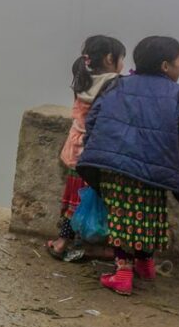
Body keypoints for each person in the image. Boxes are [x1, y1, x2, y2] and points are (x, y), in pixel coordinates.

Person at [78, 36, 179, 295]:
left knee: (122, 215)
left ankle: (123, 270)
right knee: (150, 215)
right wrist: (171, 152)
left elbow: (94, 120)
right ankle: (142, 266)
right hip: (155, 169)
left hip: (114, 165)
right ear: (166, 66)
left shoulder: (117, 86)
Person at [47, 35, 125, 260]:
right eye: (121, 59)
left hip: (74, 148)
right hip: (95, 151)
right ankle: (92, 245)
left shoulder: (83, 78)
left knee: (73, 199)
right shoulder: (114, 83)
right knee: (97, 201)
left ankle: (62, 242)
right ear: (110, 58)